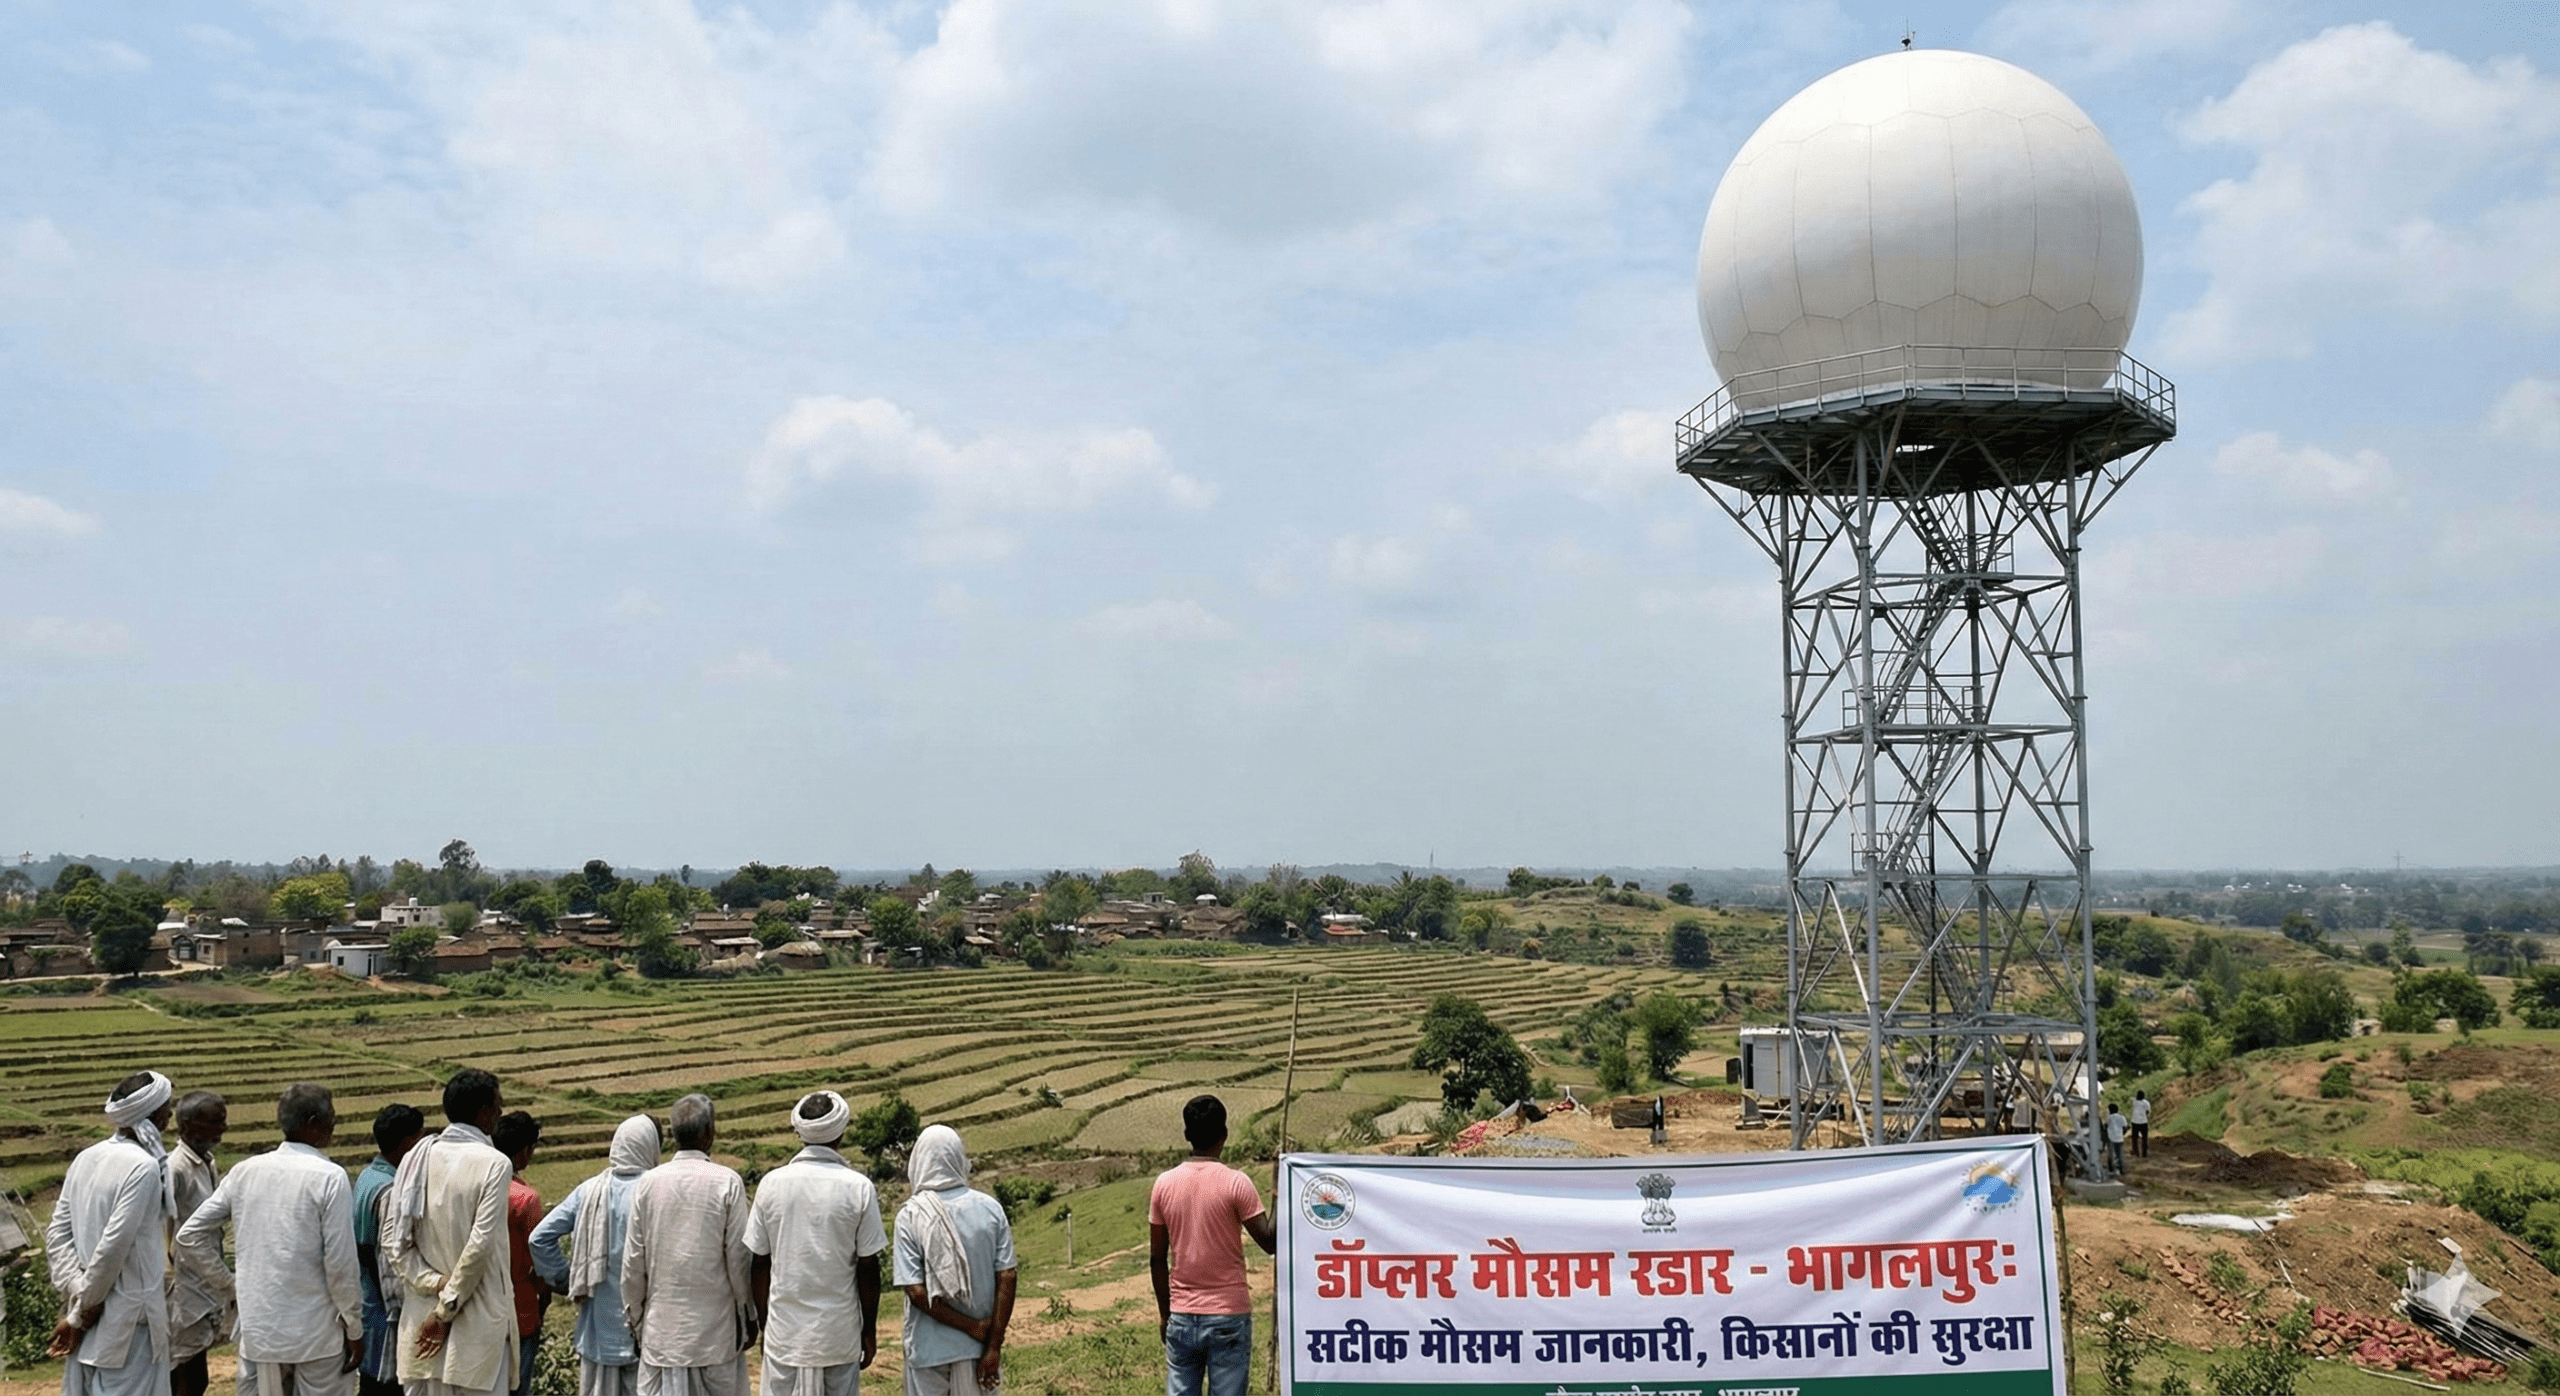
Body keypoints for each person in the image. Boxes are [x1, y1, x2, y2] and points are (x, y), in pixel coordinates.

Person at [175, 1083, 363, 1396]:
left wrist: (228, 1283)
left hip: (260, 1332)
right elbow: (340, 1264)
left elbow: (189, 1235)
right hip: (317, 1334)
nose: (334, 1124)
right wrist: (354, 1326)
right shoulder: (329, 1177)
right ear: (313, 1124)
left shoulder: (245, 1172)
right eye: (331, 1117)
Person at [384, 1069, 518, 1396]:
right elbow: (479, 1247)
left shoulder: (415, 1161)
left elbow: (394, 1243)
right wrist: (445, 1310)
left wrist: (433, 1283)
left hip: (421, 1321)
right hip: (474, 1324)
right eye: (497, 1107)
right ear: (484, 1112)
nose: (500, 1114)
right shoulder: (494, 1163)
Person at [743, 1093, 885, 1396]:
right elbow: (868, 1267)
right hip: (838, 1335)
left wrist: (768, 1324)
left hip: (786, 1335)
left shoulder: (771, 1184)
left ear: (799, 1133)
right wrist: (868, 1329)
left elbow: (759, 1262)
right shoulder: (859, 1187)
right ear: (841, 1132)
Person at [47, 1070, 178, 1396]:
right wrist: (81, 1312)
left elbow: (57, 1236)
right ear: (151, 1112)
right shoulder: (143, 1167)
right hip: (128, 1321)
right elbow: (112, 1248)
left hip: (94, 1313)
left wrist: (79, 1294)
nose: (171, 1113)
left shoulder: (86, 1158)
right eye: (167, 1105)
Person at [622, 1094, 752, 1396]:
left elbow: (632, 1265)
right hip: (716, 1336)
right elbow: (738, 1259)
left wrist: (638, 1323)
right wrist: (748, 1317)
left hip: (661, 1336)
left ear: (672, 1135)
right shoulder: (728, 1182)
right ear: (710, 1133)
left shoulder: (647, 1184)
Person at [1148, 1096, 1274, 1396]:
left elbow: (1157, 1259)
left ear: (1187, 1135)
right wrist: (1279, 1192)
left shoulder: (1163, 1184)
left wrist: (1166, 1315)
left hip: (1180, 1314)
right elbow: (1269, 1242)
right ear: (1224, 1134)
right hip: (1228, 1314)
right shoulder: (1236, 1183)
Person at [530, 1117, 661, 1396]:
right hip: (647, 1329)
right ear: (650, 1147)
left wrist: (567, 1279)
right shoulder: (655, 1191)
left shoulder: (589, 1190)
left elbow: (539, 1238)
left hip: (597, 1331)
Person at [893, 1125, 1016, 1396]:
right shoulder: (990, 1209)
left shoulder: (912, 1215)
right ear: (959, 1159)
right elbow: (1007, 1276)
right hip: (980, 1349)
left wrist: (971, 1327)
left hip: (929, 1352)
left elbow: (915, 1291)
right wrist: (993, 1343)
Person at [353, 1105, 428, 1396]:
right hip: (385, 1314)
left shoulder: (366, 1177)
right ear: (408, 1142)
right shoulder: (391, 1191)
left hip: (366, 1303)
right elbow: (390, 1263)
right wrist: (403, 1317)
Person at [166, 1091, 232, 1396]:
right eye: (216, 1122)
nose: (223, 1129)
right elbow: (166, 1231)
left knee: (195, 1375)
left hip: (202, 1285)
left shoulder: (205, 1162)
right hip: (183, 1288)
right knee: (185, 1377)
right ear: (190, 1125)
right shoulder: (176, 1168)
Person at [493, 1113, 549, 1396]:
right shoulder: (525, 1199)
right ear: (524, 1150)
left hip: (484, 1306)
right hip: (522, 1306)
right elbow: (538, 1259)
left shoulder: (480, 1187)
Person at [2103, 1101, 2128, 1175]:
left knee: (2111, 1155)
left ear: (2110, 1110)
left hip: (2111, 1138)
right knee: (2120, 1154)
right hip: (2119, 1138)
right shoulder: (2122, 1117)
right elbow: (2125, 1128)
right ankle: (2121, 1169)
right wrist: (2121, 1134)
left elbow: (2105, 1127)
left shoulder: (2109, 1118)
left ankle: (2111, 1169)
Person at [2130, 1090, 2151, 1159]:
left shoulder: (2134, 1102)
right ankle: (2144, 1153)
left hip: (2135, 1121)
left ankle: (2136, 1152)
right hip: (2143, 1121)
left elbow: (2133, 1099)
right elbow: (2147, 1111)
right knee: (2144, 1138)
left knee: (2134, 1138)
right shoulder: (2146, 1103)